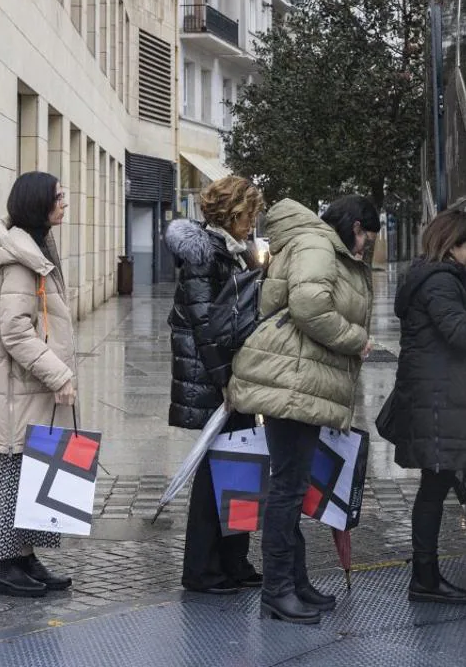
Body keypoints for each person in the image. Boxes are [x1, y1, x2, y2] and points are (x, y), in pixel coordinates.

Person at [227, 195, 376, 625]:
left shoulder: (315, 242)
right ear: (354, 225)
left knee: (291, 486)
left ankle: (295, 582)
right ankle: (277, 592)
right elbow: (311, 307)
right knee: (287, 489)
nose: (366, 244)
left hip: (297, 379)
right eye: (367, 233)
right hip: (290, 381)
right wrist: (355, 339)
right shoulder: (316, 245)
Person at [377, 210, 466, 606]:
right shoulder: (440, 283)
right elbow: (461, 334)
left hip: (436, 398)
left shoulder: (435, 278)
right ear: (450, 245)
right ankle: (425, 579)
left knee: (433, 488)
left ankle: (426, 577)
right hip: (437, 402)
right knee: (432, 490)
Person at [0, 171, 77, 598]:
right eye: (58, 196)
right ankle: (1, 562)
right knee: (13, 474)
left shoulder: (34, 248)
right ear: (38, 204)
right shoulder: (20, 259)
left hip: (29, 388)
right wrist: (59, 373)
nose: (64, 202)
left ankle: (23, 555)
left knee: (32, 474)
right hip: (19, 390)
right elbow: (15, 331)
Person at [165, 175, 266, 594]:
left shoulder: (236, 250)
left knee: (240, 465)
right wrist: (225, 379)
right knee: (214, 475)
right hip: (214, 378)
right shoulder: (205, 254)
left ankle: (234, 560)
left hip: (231, 373)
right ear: (234, 212)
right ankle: (202, 570)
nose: (253, 222)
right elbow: (206, 324)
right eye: (250, 214)